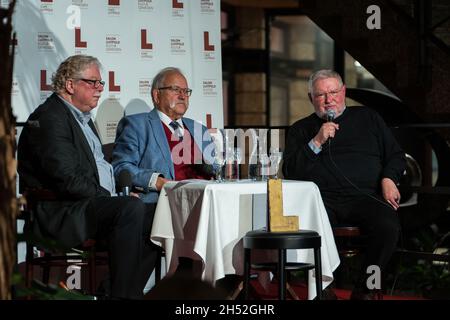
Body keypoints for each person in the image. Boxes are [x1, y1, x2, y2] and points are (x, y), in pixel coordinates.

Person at [17, 55, 157, 300]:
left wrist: (116, 197)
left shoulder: (82, 118)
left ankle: (115, 292)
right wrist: (111, 198)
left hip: (89, 206)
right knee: (129, 209)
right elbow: (68, 179)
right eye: (93, 83)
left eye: (101, 84)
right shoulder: (49, 118)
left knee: (159, 217)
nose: (99, 89)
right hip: (63, 211)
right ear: (70, 85)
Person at [283, 69, 406, 300]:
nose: (328, 100)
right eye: (321, 95)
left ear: (344, 92)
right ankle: (323, 290)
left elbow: (396, 155)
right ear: (311, 98)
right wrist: (317, 141)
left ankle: (365, 290)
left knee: (388, 227)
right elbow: (291, 171)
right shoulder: (301, 129)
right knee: (312, 231)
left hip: (364, 197)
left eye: (333, 92)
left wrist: (389, 178)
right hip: (321, 201)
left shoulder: (368, 118)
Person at [112, 67, 216, 204]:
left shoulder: (199, 129)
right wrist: (157, 182)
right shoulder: (136, 125)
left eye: (186, 91)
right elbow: (121, 167)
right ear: (156, 95)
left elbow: (216, 169)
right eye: (175, 90)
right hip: (164, 203)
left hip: (206, 201)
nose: (182, 96)